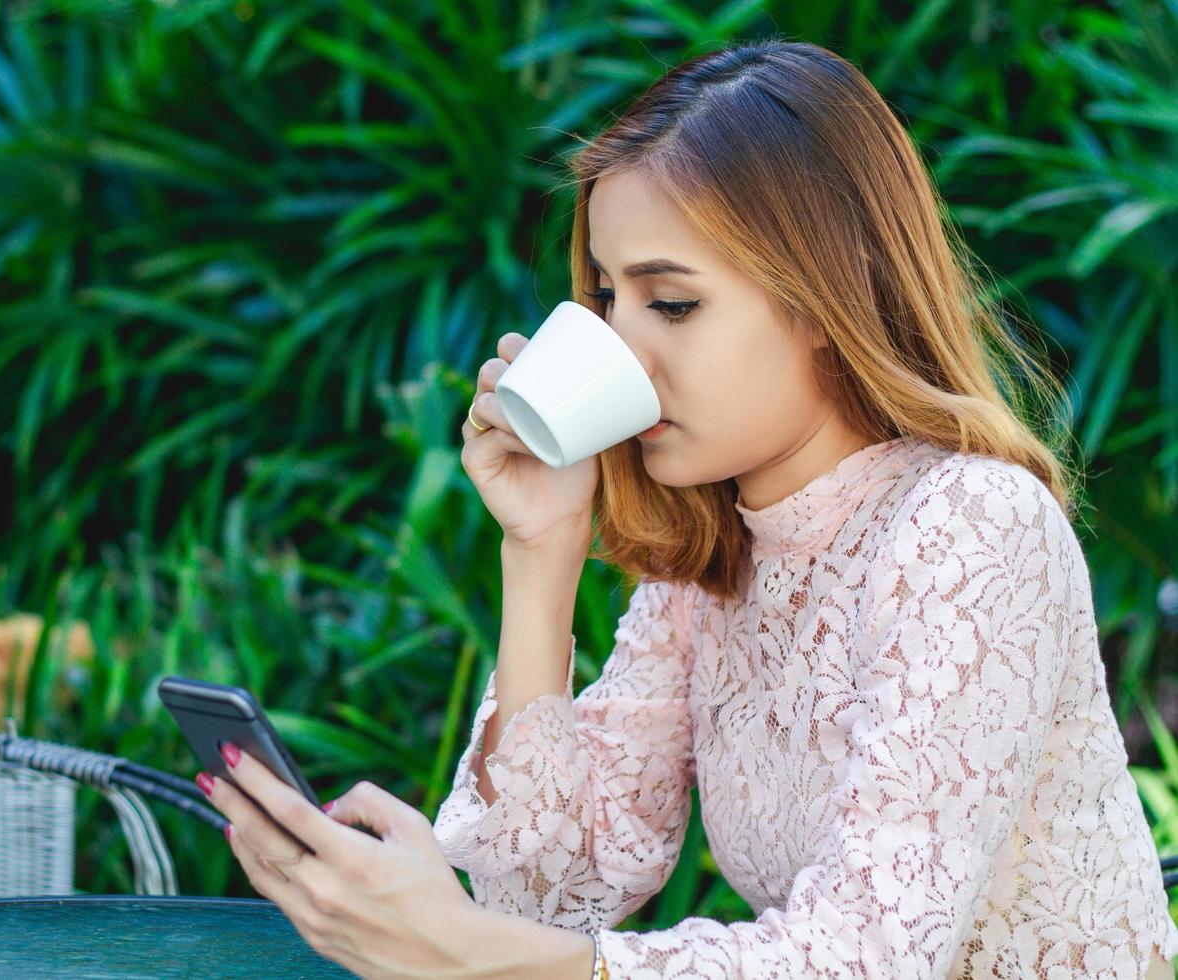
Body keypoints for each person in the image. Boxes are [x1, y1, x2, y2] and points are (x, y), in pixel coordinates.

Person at [436, 36, 1178, 979]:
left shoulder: (971, 528)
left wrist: (480, 956)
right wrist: (539, 556)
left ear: (825, 296)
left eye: (670, 304)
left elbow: (867, 956)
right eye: (607, 299)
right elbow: (545, 900)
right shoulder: (714, 570)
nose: (625, 348)